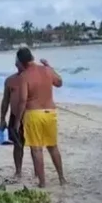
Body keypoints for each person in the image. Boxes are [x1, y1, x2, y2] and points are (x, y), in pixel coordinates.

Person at [12, 48, 66, 188]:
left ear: (20, 61)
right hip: (50, 112)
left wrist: (17, 121)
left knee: (36, 149)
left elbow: (23, 100)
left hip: (34, 113)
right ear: (32, 57)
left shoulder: (24, 76)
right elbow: (59, 82)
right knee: (53, 147)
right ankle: (61, 178)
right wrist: (49, 66)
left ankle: (42, 182)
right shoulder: (47, 70)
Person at [0, 58, 25, 179]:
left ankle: (37, 171)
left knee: (35, 145)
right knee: (17, 144)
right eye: (18, 62)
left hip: (30, 115)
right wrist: (2, 118)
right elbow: (5, 101)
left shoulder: (32, 78)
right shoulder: (10, 80)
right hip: (14, 115)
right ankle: (18, 170)